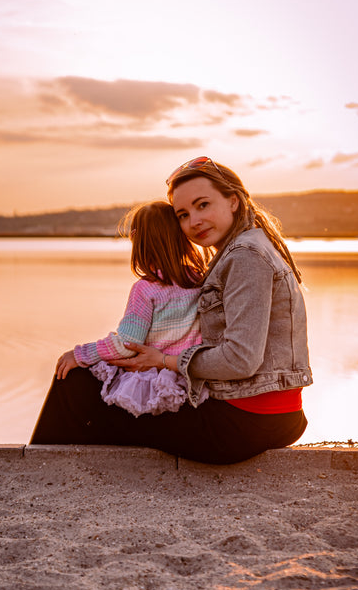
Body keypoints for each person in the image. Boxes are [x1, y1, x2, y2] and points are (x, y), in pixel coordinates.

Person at [30, 157, 312, 464]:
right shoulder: (243, 249)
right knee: (109, 397)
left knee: (75, 384)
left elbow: (241, 359)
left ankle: (34, 470)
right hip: (260, 413)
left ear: (233, 201)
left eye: (203, 205)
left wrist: (165, 361)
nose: (194, 221)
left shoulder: (245, 257)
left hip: (244, 423)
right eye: (183, 214)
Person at [53, 200, 209, 417]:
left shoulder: (146, 289)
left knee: (74, 378)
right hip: (189, 380)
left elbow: (127, 344)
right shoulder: (199, 280)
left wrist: (80, 354)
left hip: (154, 384)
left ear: (136, 239)